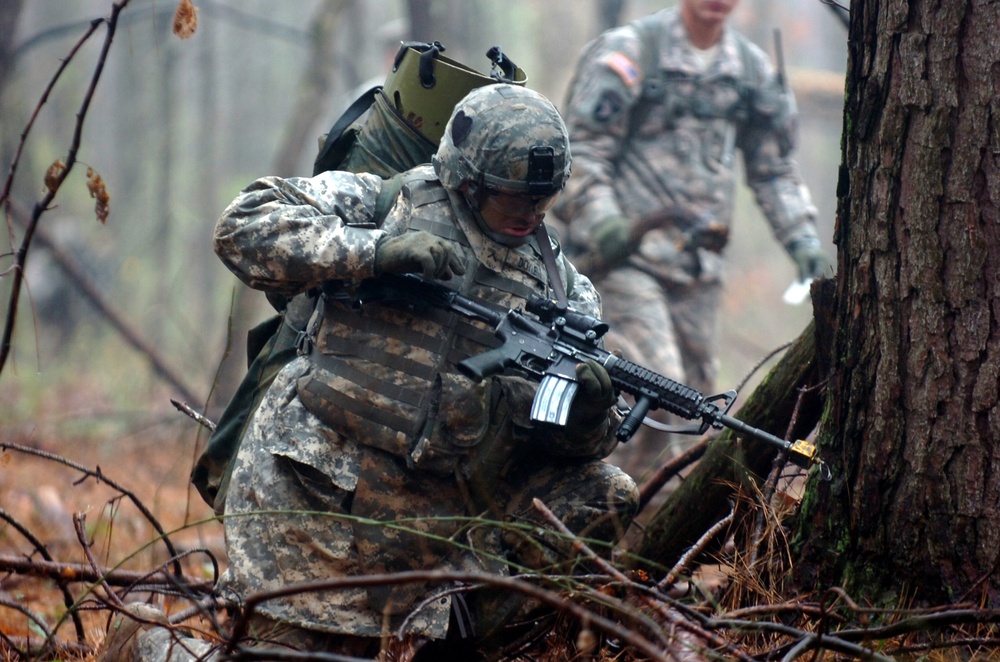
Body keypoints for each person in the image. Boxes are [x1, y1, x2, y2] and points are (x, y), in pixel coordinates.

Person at [211, 83, 638, 658]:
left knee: (606, 492)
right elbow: (241, 227)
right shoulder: (389, 202)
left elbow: (567, 445)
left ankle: (486, 637)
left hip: (444, 517)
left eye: (542, 200)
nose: (528, 213)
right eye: (512, 197)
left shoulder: (561, 290)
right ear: (468, 179)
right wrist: (372, 251)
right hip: (316, 497)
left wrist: (588, 417)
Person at [553, 0, 831, 482]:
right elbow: (581, 152)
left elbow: (773, 169)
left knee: (690, 411)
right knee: (651, 386)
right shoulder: (632, 52)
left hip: (697, 271)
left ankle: (622, 527)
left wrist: (802, 240)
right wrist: (604, 224)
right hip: (625, 261)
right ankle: (576, 515)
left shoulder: (749, 71)